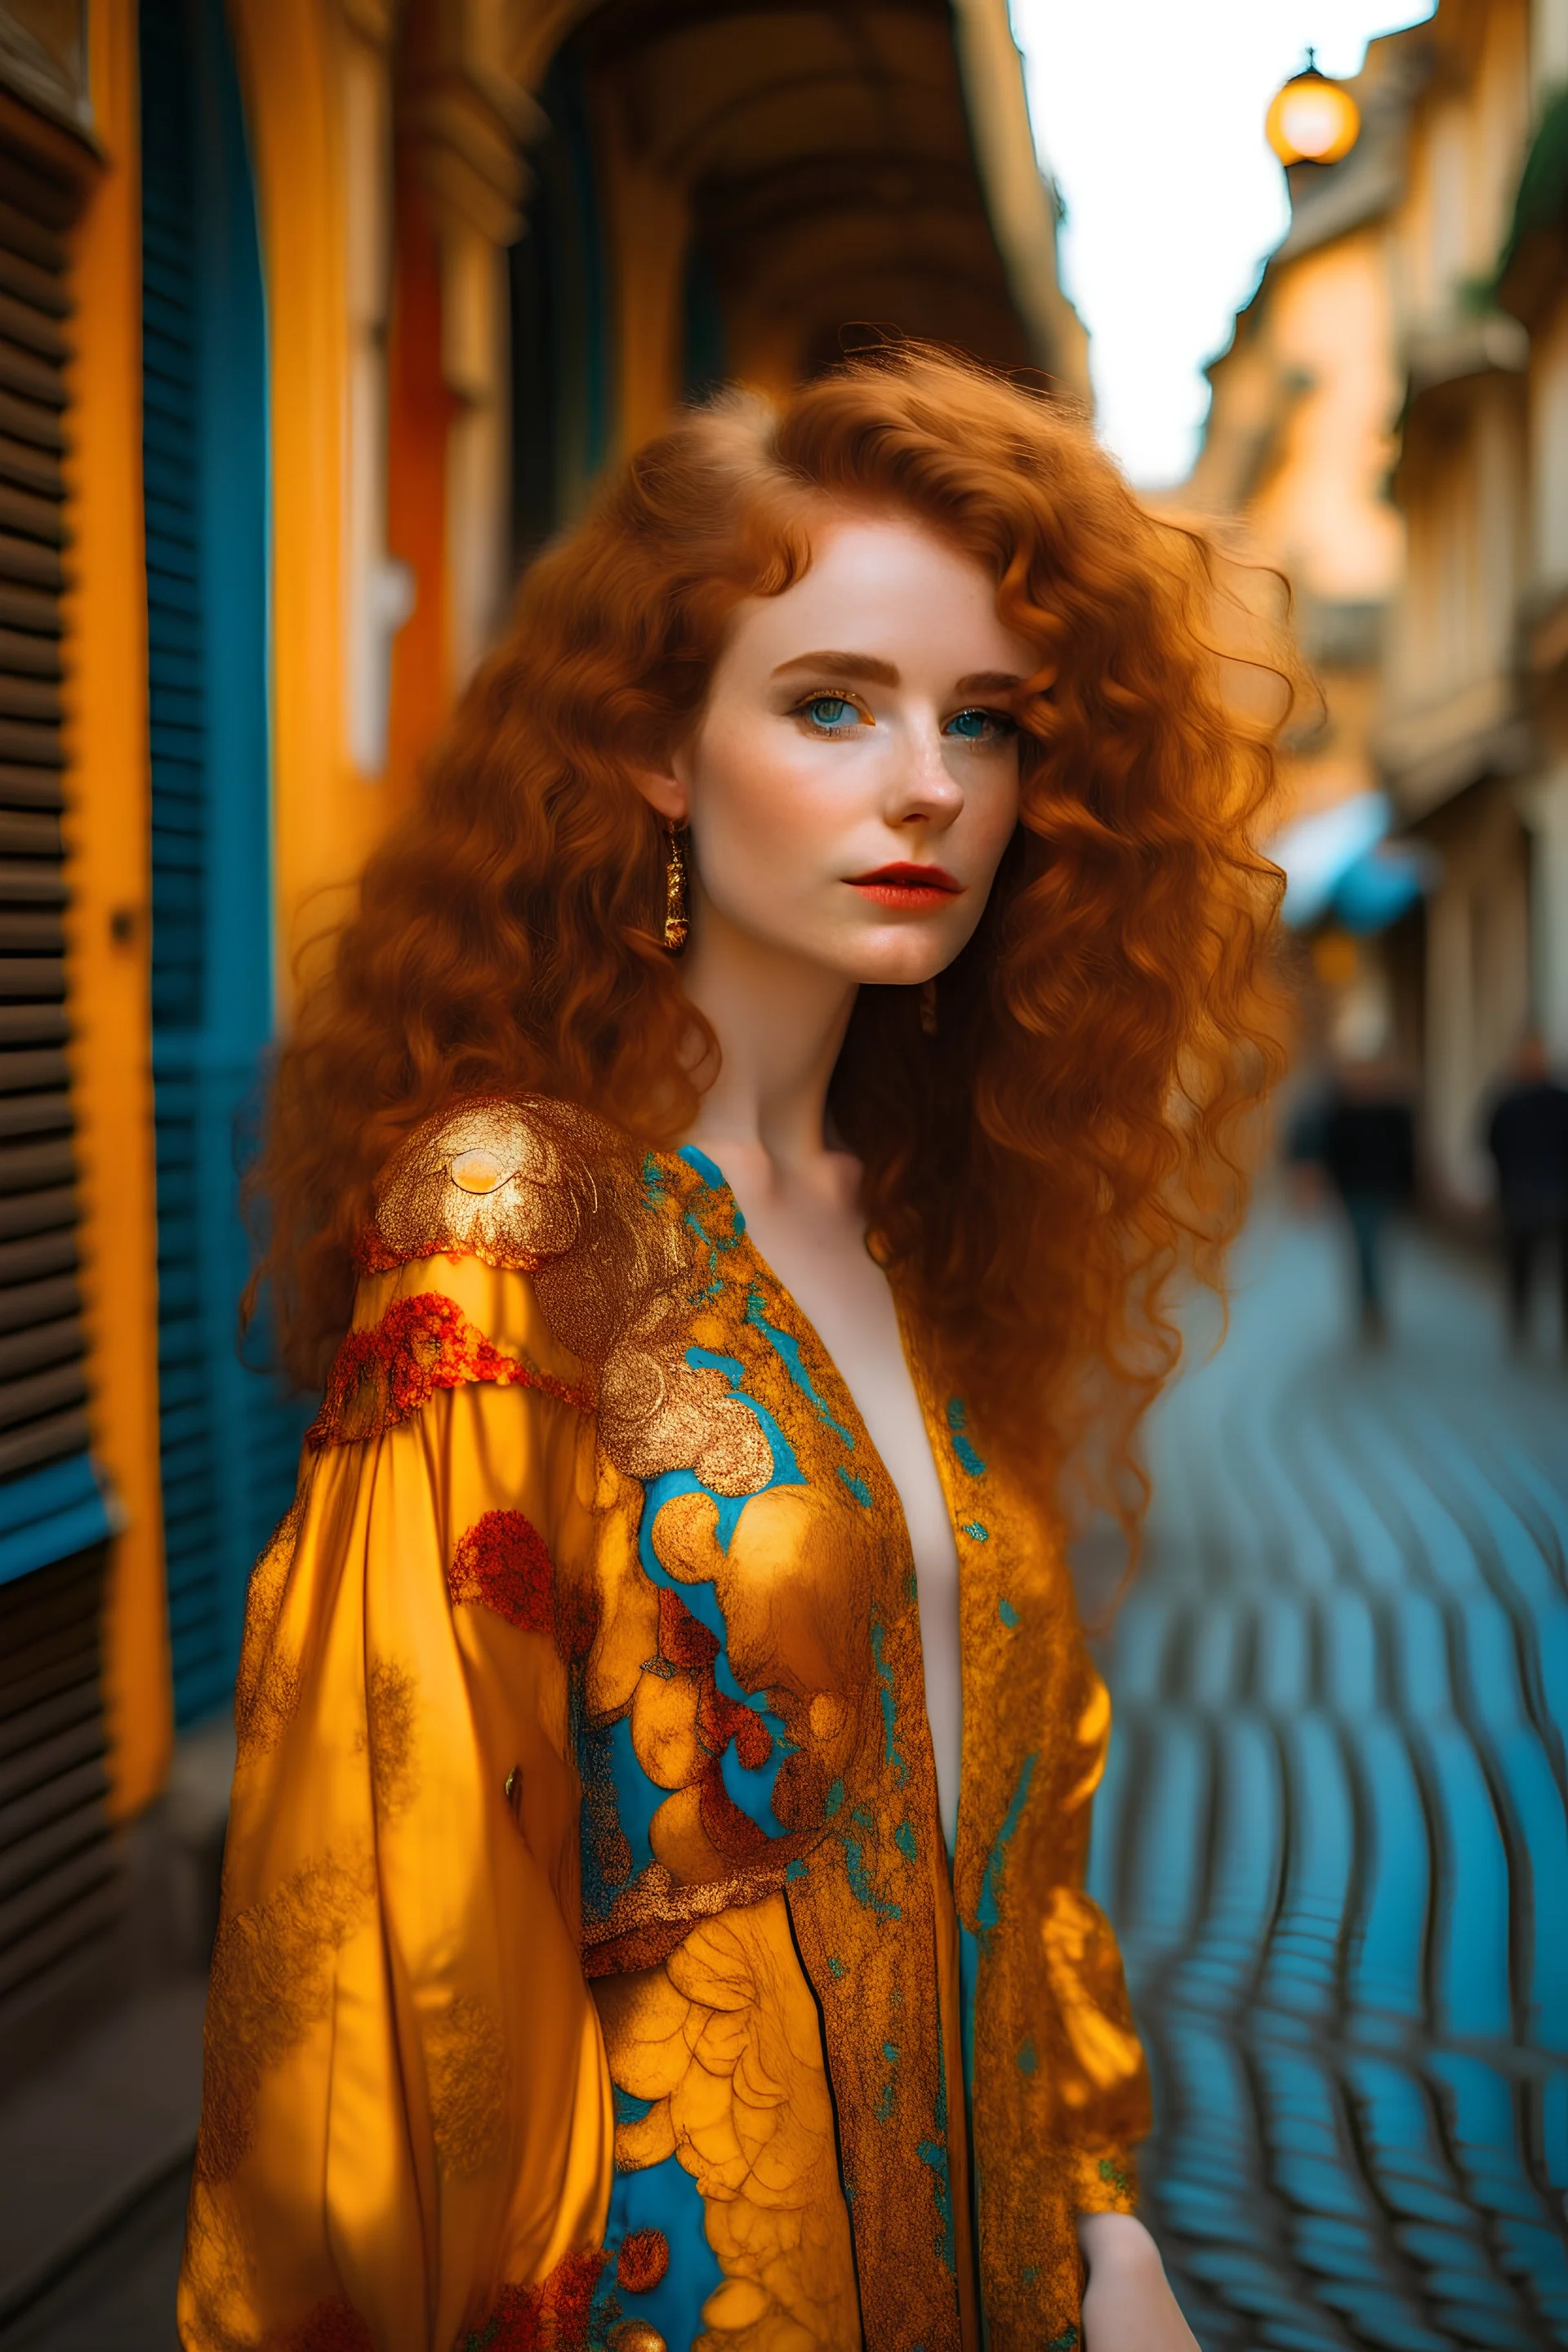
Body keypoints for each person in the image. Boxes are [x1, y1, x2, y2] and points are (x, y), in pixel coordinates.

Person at [178, 350, 1286, 2352]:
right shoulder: (513, 1221)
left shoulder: (918, 1226)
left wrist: (1108, 2219)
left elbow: (1017, 1813)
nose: (930, 782)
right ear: (658, 751)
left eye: (987, 722)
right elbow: (380, 1952)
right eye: (832, 702)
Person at [1320, 1060, 1416, 1343]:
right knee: (1364, 1245)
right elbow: (1332, 1153)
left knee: (1373, 1246)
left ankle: (1373, 1302)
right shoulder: (1341, 1114)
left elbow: (1405, 1152)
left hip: (1382, 1190)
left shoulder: (1392, 1113)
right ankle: (1370, 1303)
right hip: (1355, 1192)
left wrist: (1406, 1186)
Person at [1485, 1035, 1568, 1352]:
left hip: (1556, 1196)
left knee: (1554, 1269)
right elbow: (1493, 1143)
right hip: (1521, 1196)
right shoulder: (1509, 1102)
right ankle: (1520, 1325)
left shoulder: (1558, 1101)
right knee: (1521, 1266)